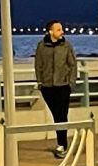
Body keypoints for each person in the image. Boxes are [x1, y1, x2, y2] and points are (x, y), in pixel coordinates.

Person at [33, 21, 79, 157]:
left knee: (61, 114)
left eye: (62, 29)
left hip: (63, 86)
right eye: (58, 29)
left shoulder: (66, 46)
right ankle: (62, 144)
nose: (62, 31)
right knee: (56, 115)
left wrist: (71, 82)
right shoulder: (41, 46)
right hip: (47, 87)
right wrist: (40, 82)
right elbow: (38, 65)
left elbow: (72, 65)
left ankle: (62, 145)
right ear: (50, 31)